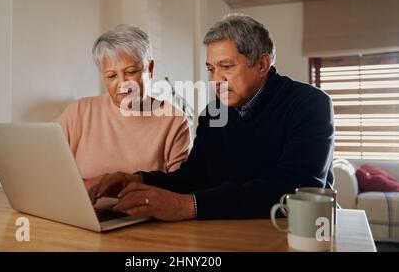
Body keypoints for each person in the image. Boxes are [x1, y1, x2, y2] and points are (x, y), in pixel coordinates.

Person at [90, 14, 335, 221]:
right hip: (230, 231)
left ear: (262, 64)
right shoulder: (213, 113)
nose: (215, 81)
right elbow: (194, 177)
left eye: (226, 66)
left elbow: (296, 187)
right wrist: (138, 179)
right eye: (211, 69)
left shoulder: (310, 104)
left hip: (297, 232)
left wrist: (188, 206)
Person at [55, 24, 191, 197]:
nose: (123, 85)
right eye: (111, 76)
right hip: (84, 213)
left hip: (146, 217)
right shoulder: (78, 112)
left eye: (131, 72)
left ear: (149, 69)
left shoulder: (174, 120)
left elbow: (180, 189)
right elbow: (46, 167)